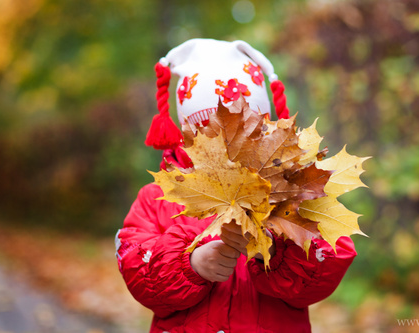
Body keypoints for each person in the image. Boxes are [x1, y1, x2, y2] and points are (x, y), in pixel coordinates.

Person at [115, 38, 357, 333]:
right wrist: (189, 263)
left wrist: (272, 250)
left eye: (243, 131)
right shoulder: (159, 196)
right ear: (187, 136)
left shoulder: (292, 188)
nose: (227, 144)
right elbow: (136, 265)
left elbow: (327, 260)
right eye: (210, 132)